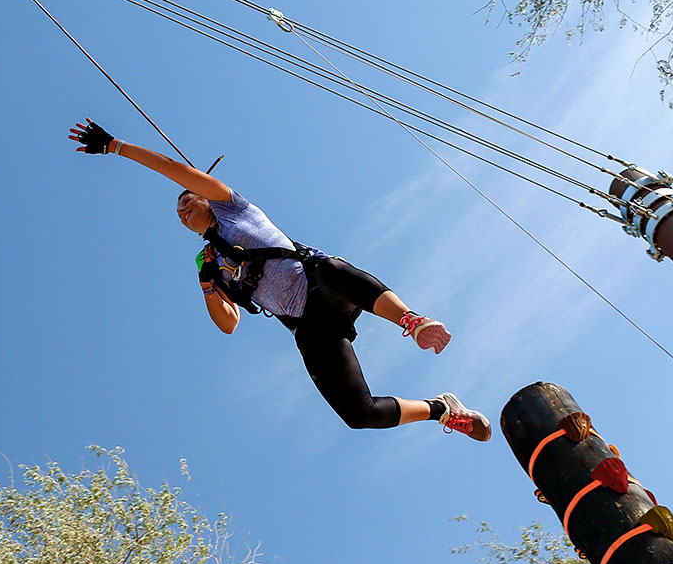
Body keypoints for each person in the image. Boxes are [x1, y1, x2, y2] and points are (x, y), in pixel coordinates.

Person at [68, 118, 491, 441]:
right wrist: (207, 282)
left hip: (322, 285)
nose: (181, 211)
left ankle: (412, 321)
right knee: (357, 414)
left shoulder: (233, 209)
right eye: (177, 214)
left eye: (187, 201)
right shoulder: (209, 260)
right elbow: (228, 323)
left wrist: (115, 146)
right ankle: (441, 410)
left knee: (331, 269)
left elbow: (172, 168)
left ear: (206, 197)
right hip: (308, 325)